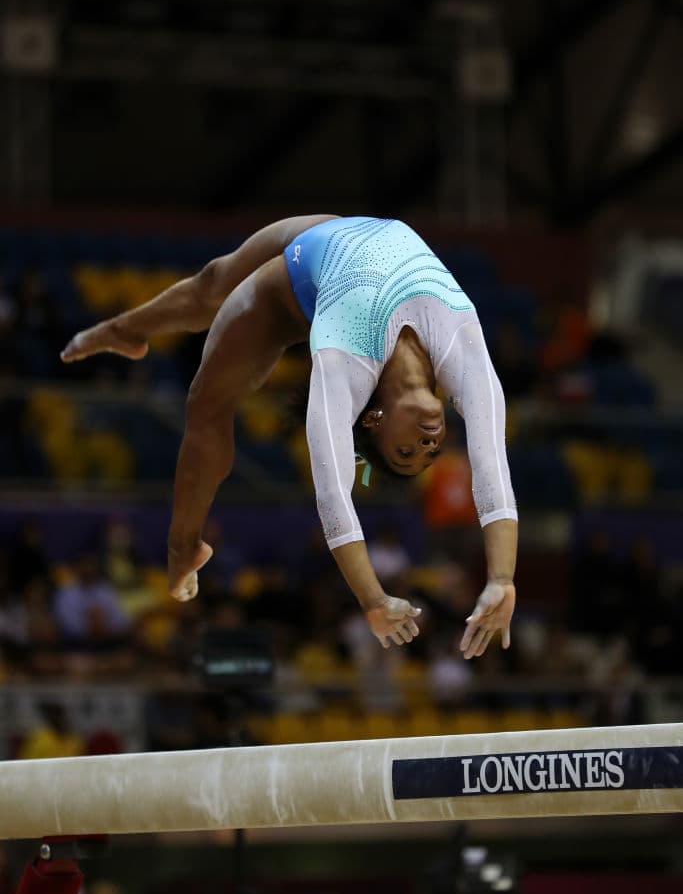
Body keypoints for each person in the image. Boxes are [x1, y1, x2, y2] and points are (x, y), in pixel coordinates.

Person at [62, 215, 517, 656]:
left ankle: (183, 545)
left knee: (205, 402)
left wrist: (377, 598)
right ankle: (122, 329)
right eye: (426, 452)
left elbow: (334, 495)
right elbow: (490, 463)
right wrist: (500, 577)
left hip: (287, 294)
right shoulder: (461, 350)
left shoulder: (346, 365)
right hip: (332, 235)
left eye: (407, 452)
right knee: (212, 282)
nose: (428, 444)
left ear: (373, 419)